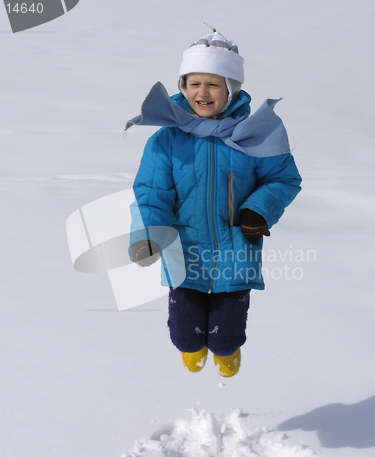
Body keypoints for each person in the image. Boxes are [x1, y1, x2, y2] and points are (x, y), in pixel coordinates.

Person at [126, 30, 302, 377]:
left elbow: (284, 178)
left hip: (236, 251)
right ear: (182, 86)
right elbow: (151, 192)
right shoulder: (167, 141)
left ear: (231, 88)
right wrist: (148, 236)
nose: (202, 93)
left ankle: (225, 352)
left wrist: (258, 209)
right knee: (185, 338)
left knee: (225, 338)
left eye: (213, 84)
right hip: (183, 253)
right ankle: (193, 348)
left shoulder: (254, 135)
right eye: (193, 83)